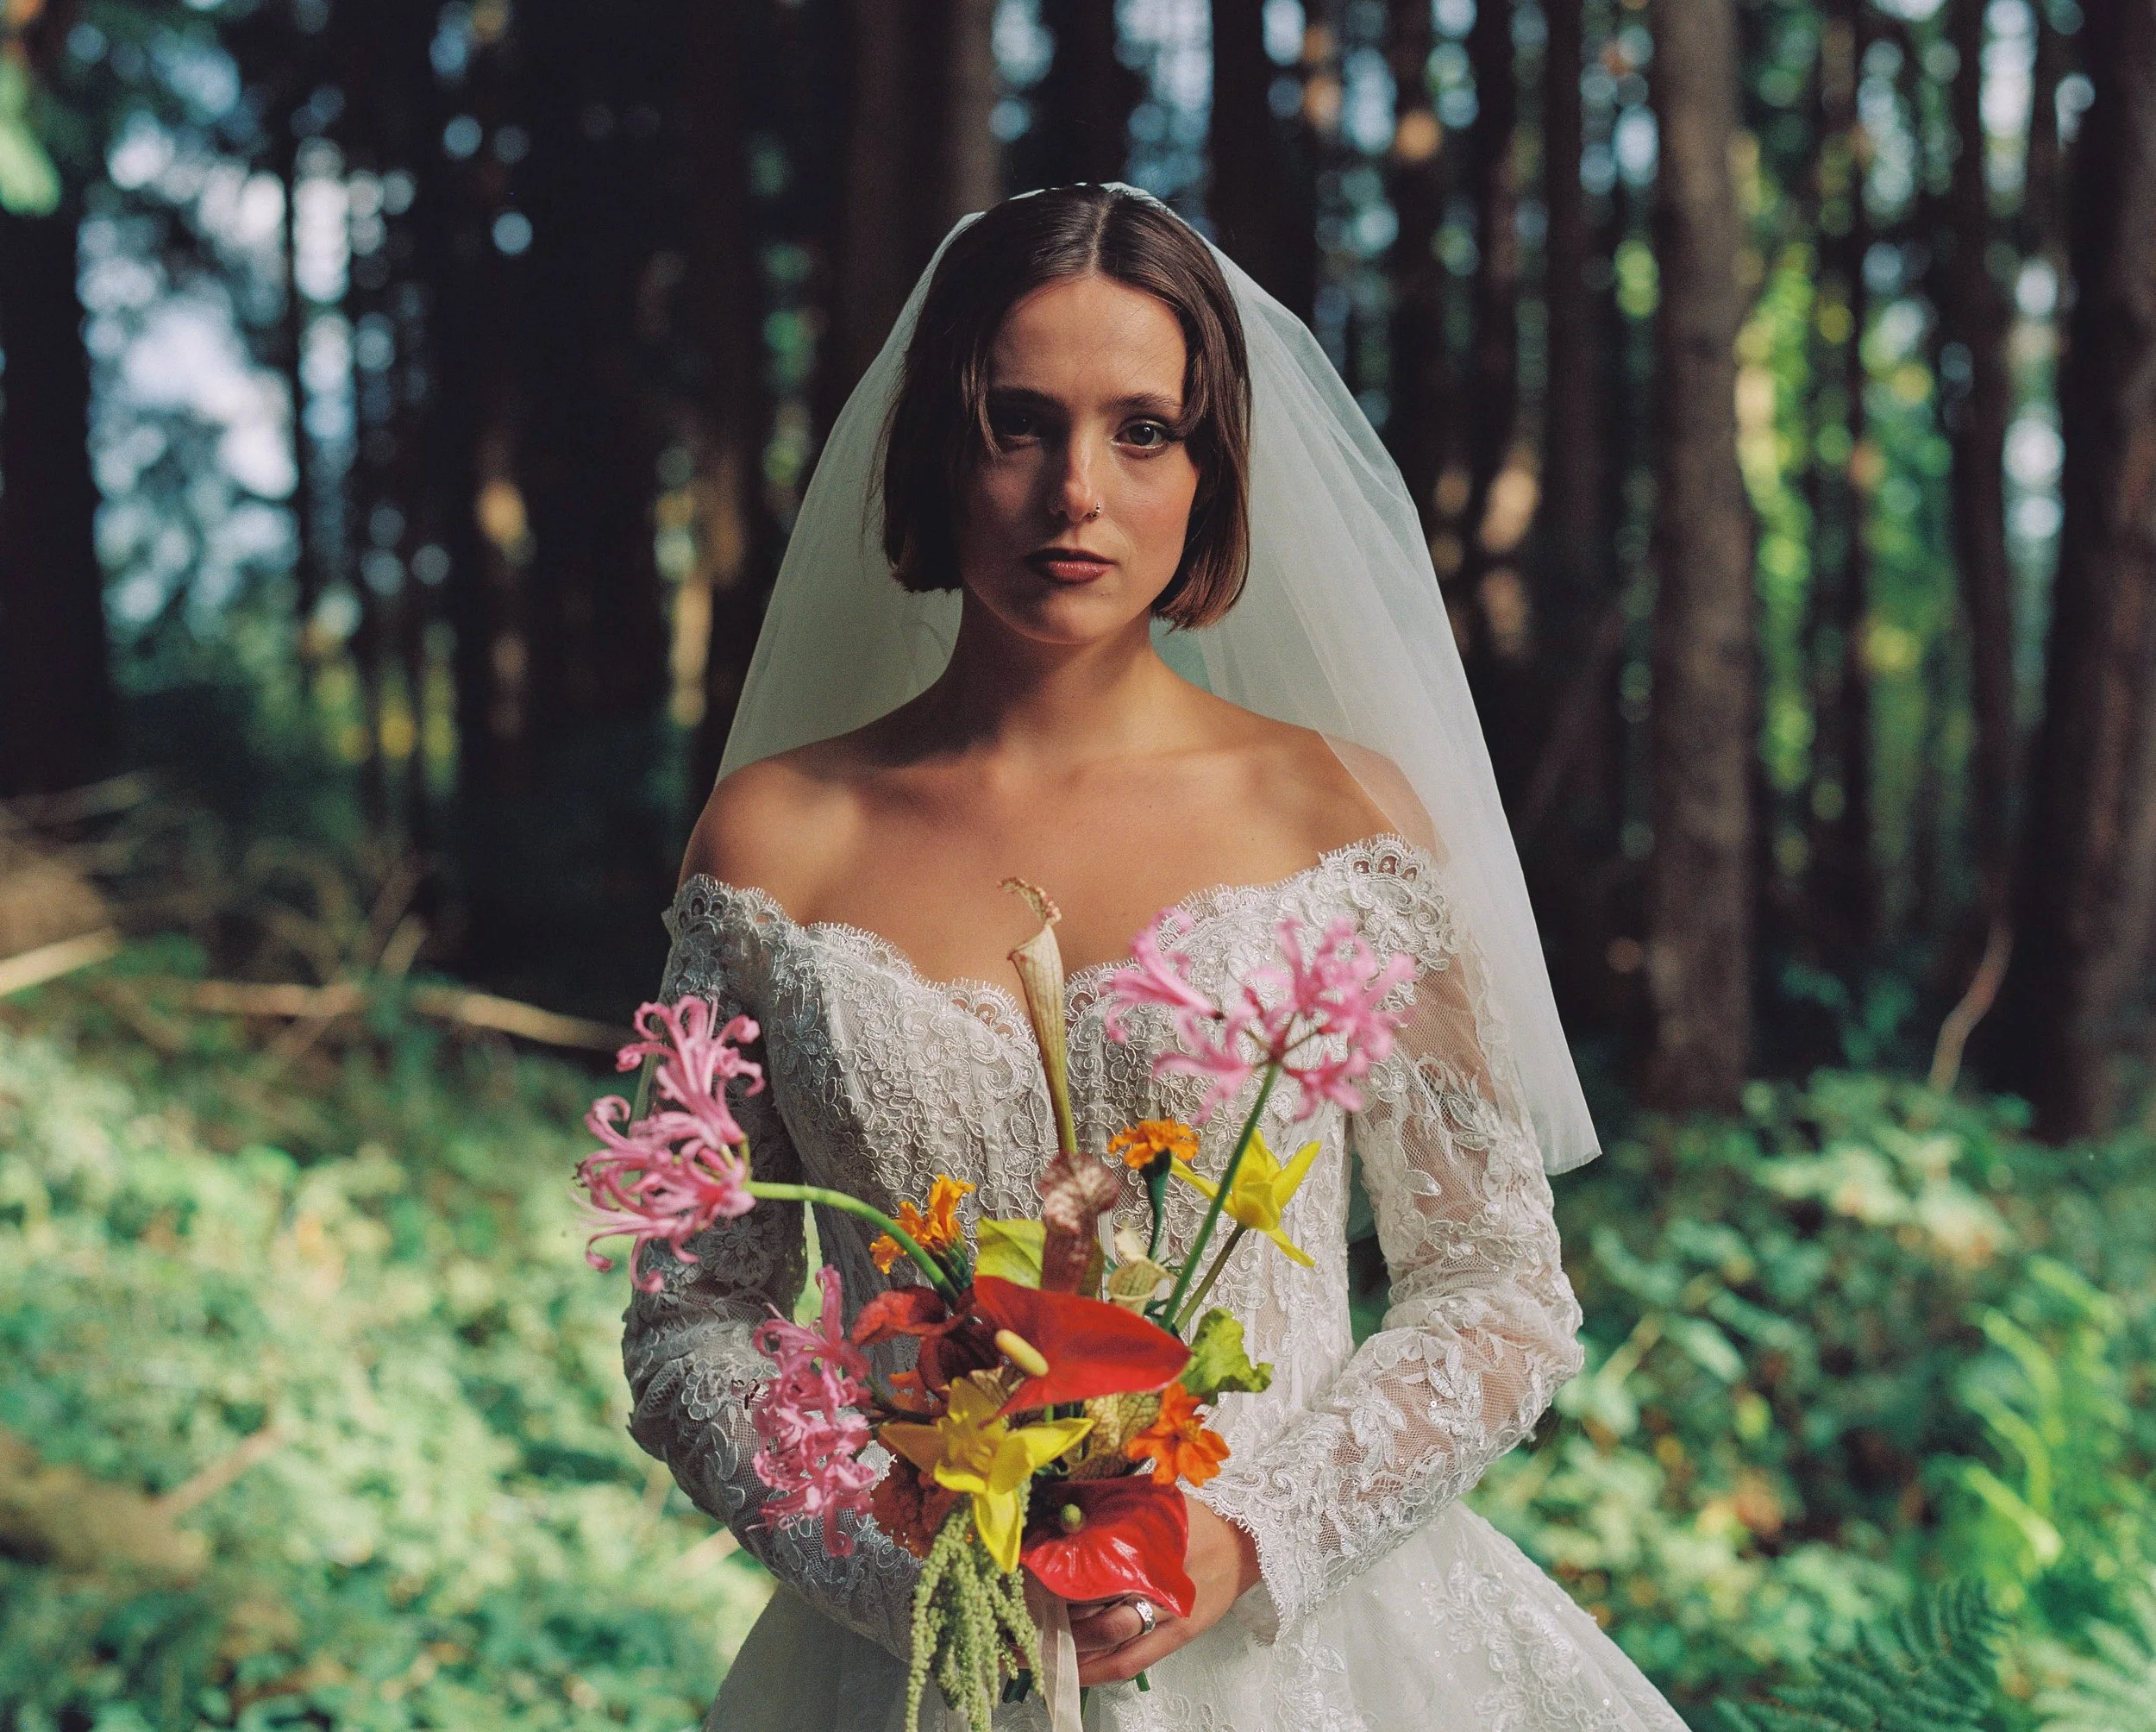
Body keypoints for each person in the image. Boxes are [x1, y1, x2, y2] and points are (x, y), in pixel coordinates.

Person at [623, 184, 1686, 1731]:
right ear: (937, 442)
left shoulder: (1339, 818)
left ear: (1212, 465)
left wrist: (1243, 1539)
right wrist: (902, 1565)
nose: (1076, 492)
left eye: (1142, 431)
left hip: (1306, 1656)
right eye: (1016, 422)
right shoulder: (774, 839)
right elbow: (691, 1309)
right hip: (920, 1659)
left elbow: (1497, 1288)